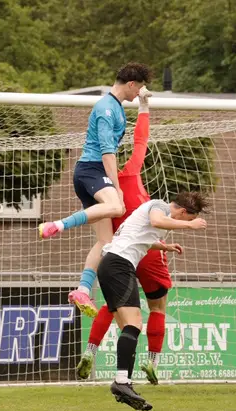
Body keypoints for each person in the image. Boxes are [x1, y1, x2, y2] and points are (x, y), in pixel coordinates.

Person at [38, 63, 153, 318]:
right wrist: (115, 186)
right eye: (139, 89)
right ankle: (57, 225)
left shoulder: (118, 108)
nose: (138, 94)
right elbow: (107, 151)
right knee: (116, 206)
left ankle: (82, 288)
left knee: (105, 242)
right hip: (91, 170)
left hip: (92, 173)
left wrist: (144, 106)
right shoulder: (106, 108)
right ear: (131, 84)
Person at [75, 89, 171, 385]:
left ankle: (90, 351)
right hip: (148, 253)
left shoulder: (104, 195)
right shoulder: (132, 173)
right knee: (157, 307)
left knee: (113, 305)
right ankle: (152, 360)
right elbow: (140, 140)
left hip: (118, 254)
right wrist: (144, 107)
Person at [101, 192, 208, 411]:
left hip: (110, 264)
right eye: (186, 219)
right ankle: (121, 383)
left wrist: (164, 247)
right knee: (134, 324)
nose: (182, 224)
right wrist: (190, 226)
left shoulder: (156, 214)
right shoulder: (159, 206)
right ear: (183, 212)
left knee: (128, 328)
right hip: (119, 265)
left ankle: (124, 384)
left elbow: (140, 238)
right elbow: (157, 221)